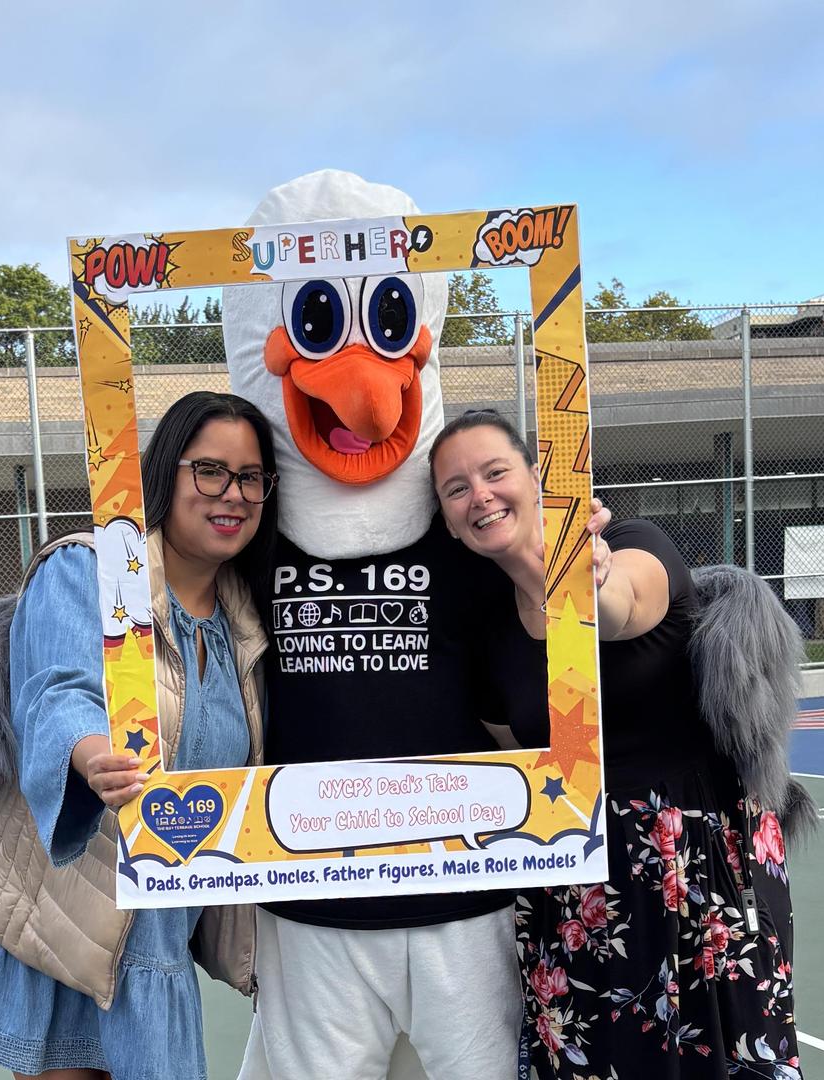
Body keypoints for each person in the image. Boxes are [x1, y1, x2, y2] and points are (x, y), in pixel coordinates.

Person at [220, 170, 538, 1080]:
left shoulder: (462, 535)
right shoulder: (252, 536)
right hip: (309, 892)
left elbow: (541, 679)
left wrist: (562, 558)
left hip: (463, 889)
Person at [0, 391, 280, 1080]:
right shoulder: (92, 570)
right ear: (167, 473)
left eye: (252, 477)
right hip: (68, 904)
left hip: (157, 914)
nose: (234, 494)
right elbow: (56, 689)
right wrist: (94, 755)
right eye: (211, 471)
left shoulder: (246, 618)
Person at [429, 409, 811, 1079]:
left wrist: (587, 573)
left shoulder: (634, 546)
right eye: (455, 488)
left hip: (694, 869)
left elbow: (617, 609)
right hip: (577, 891)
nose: (479, 496)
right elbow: (506, 757)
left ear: (536, 477)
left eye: (495, 473)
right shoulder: (488, 630)